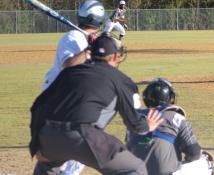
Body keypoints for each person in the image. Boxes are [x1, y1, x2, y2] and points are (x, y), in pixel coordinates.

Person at [29, 34, 164, 175]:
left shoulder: (69, 72)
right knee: (134, 168)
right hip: (82, 136)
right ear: (113, 57)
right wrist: (147, 125)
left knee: (46, 167)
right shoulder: (120, 79)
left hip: (49, 135)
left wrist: (36, 143)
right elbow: (134, 123)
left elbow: (38, 105)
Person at [40, 0, 106, 174]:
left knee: (81, 149)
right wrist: (87, 51)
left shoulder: (94, 40)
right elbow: (68, 66)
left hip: (74, 101)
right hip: (58, 101)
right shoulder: (73, 38)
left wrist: (100, 48)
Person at [126, 78, 214, 175]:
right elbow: (193, 154)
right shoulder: (176, 118)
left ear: (146, 98)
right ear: (170, 98)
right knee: (204, 162)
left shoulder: (135, 120)